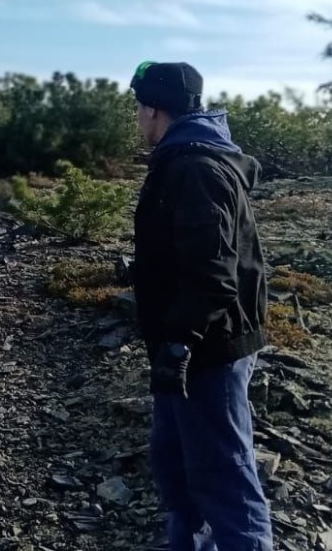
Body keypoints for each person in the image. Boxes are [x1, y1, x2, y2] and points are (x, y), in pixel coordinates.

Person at [129, 60, 273, 551]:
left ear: (153, 109)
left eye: (139, 107)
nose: (138, 118)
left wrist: (179, 343)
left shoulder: (195, 167)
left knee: (224, 476)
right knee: (178, 467)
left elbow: (213, 273)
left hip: (207, 349)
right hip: (188, 346)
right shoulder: (186, 156)